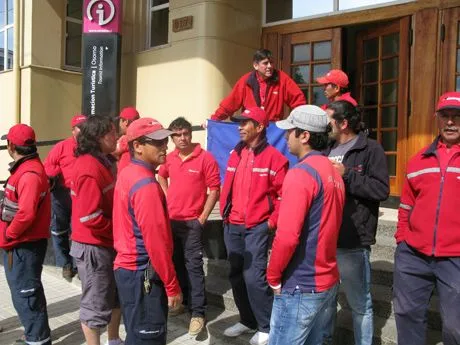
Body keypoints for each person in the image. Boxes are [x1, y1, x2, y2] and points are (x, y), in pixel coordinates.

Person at [267, 105, 345, 345]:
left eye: (290, 131)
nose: (285, 137)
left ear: (304, 135)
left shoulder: (301, 173)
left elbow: (288, 235)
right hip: (326, 280)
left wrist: (273, 275)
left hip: (302, 283)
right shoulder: (333, 172)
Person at [394, 91, 460, 345]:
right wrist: (402, 239)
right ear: (437, 119)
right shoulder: (418, 160)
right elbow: (406, 206)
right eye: (445, 116)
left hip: (455, 256)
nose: (451, 122)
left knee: (456, 327)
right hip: (414, 255)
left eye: (457, 116)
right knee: (406, 314)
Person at [322, 100, 389, 345]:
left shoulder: (370, 149)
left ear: (343, 123)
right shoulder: (325, 148)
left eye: (329, 120)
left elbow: (381, 189)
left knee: (360, 304)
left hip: (353, 239)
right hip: (326, 238)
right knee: (325, 302)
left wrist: (347, 175)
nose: (325, 124)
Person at [220, 107, 288, 345]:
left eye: (245, 123)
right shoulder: (236, 152)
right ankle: (248, 321)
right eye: (239, 123)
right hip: (232, 225)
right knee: (236, 274)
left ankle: (267, 326)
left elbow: (282, 197)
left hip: (257, 226)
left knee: (254, 277)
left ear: (259, 127)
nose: (239, 127)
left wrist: (270, 222)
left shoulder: (276, 159)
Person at [113, 117, 182, 345]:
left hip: (130, 272)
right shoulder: (146, 186)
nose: (166, 146)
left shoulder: (128, 173)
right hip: (142, 273)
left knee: (137, 334)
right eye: (157, 142)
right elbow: (156, 243)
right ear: (138, 146)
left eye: (165, 140)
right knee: (147, 337)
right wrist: (172, 285)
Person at [157, 117, 220, 335]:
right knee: (176, 263)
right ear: (172, 137)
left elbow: (214, 189)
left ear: (190, 134)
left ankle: (198, 313)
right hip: (172, 221)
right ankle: (181, 303)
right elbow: (161, 176)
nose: (182, 138)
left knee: (193, 266)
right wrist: (167, 196)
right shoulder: (170, 158)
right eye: (177, 135)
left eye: (185, 133)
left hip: (193, 222)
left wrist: (203, 216)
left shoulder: (205, 158)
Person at [69, 116, 124, 345]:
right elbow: (90, 217)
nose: (117, 136)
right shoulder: (89, 168)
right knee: (95, 303)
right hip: (94, 246)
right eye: (112, 133)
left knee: (113, 296)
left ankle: (113, 339)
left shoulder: (103, 160)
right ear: (99, 137)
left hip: (106, 243)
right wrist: (118, 230)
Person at [0, 124, 52, 345]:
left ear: (12, 145)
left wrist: (10, 234)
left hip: (24, 245)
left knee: (26, 293)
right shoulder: (27, 169)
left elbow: (26, 213)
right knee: (28, 291)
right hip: (23, 243)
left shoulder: (29, 174)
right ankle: (37, 334)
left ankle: (37, 339)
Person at [44, 114, 86, 281]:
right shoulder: (62, 146)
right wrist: (54, 173)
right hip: (61, 194)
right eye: (79, 128)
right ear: (72, 130)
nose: (82, 131)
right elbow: (48, 165)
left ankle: (78, 265)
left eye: (85, 128)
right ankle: (65, 264)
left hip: (81, 195)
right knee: (58, 229)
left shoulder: (90, 147)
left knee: (78, 231)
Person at [210, 49, 306, 123]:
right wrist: (214, 120)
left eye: (271, 62)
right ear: (255, 65)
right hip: (250, 128)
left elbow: (298, 101)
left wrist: (298, 122)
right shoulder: (245, 80)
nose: (270, 66)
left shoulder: (282, 78)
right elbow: (230, 104)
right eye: (265, 63)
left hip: (272, 129)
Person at [115, 106, 140, 173]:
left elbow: (113, 150)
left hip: (126, 179)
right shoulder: (139, 136)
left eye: (120, 121)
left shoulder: (127, 138)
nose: (119, 124)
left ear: (125, 122)